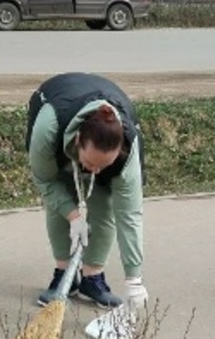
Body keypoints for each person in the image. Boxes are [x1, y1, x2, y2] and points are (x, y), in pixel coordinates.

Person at [26, 72, 148, 310]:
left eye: (104, 165)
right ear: (79, 139)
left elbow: (130, 215)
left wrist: (134, 279)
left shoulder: (128, 150)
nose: (94, 170)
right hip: (57, 105)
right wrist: (73, 215)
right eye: (91, 163)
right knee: (59, 200)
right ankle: (63, 276)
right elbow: (45, 181)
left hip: (102, 125)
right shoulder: (48, 129)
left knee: (106, 205)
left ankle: (92, 279)